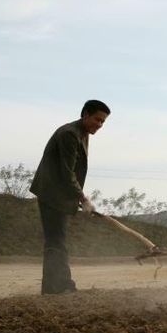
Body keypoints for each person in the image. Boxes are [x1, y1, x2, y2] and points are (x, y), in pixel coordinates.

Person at [29, 100, 110, 294]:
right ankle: (59, 287)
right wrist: (83, 198)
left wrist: (77, 198)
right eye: (97, 119)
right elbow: (67, 172)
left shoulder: (82, 133)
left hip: (61, 194)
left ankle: (55, 286)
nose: (100, 125)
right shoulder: (69, 134)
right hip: (52, 193)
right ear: (86, 114)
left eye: (103, 122)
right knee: (56, 241)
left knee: (58, 240)